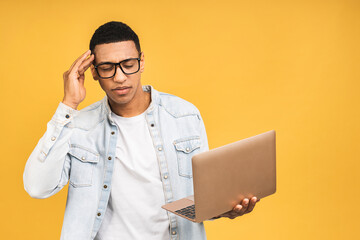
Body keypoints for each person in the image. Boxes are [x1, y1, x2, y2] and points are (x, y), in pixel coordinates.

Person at [23, 21, 259, 240]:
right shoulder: (79, 125)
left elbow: (200, 200)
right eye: (107, 68)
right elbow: (37, 187)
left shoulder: (184, 116)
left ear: (142, 62)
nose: (120, 77)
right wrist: (68, 105)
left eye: (128, 65)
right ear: (93, 72)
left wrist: (224, 209)